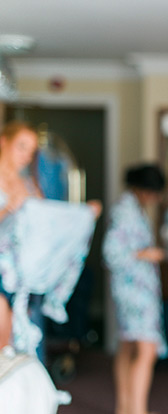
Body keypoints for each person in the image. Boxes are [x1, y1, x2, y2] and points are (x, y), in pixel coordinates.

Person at [0, 121, 100, 356]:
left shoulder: (31, 184)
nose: (26, 156)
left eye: (31, 151)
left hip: (26, 275)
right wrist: (7, 210)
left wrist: (83, 215)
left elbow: (48, 224)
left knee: (28, 344)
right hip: (2, 273)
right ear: (4, 142)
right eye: (21, 147)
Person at [103, 164, 168, 414]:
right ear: (145, 190)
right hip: (134, 290)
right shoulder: (126, 212)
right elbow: (111, 253)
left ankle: (124, 407)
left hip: (130, 288)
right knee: (147, 348)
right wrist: (145, 253)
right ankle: (138, 409)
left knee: (128, 346)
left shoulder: (131, 208)